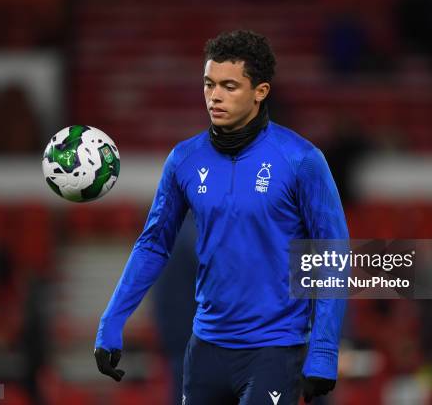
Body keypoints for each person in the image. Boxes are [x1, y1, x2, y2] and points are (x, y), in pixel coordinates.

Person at [94, 30, 349, 404]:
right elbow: (152, 246)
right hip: (205, 350)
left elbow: (332, 255)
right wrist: (111, 323)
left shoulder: (302, 160)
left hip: (276, 350)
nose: (215, 96)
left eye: (229, 86)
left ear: (260, 91)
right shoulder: (184, 159)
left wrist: (324, 351)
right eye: (209, 84)